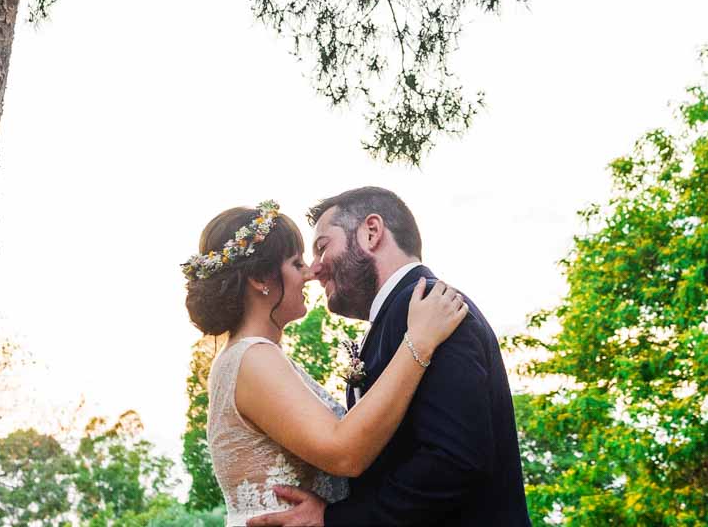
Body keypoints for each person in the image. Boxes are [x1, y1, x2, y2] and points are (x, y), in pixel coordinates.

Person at [247, 186, 532, 527]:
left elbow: (454, 460)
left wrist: (337, 520)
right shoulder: (403, 316)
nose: (315, 268)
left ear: (371, 232)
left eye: (323, 247)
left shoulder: (433, 306)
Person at [184, 199, 468, 527]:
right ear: (261, 278)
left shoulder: (250, 357)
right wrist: (419, 341)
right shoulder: (253, 358)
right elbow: (345, 453)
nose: (310, 273)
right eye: (296, 263)